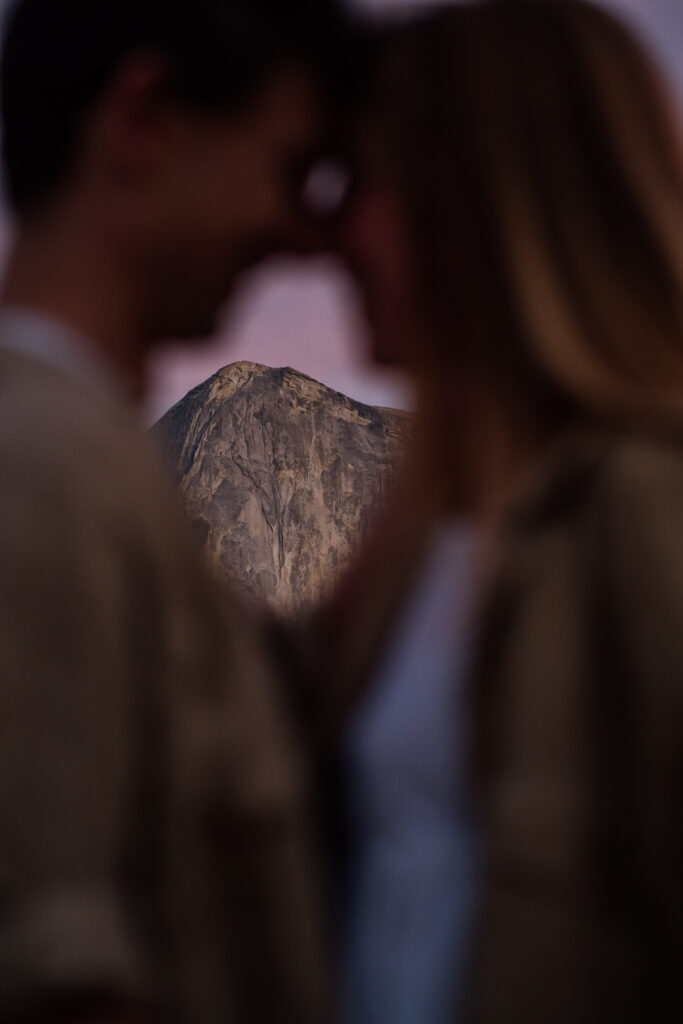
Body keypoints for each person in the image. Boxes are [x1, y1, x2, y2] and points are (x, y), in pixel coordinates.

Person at [300, 1, 683, 1021]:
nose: (327, 229)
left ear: (473, 198)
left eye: (362, 181)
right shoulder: (417, 546)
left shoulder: (642, 512)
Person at [0, 1, 351, 1021]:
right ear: (144, 119)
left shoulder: (76, 455)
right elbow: (61, 970)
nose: (298, 232)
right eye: (287, 168)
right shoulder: (49, 473)